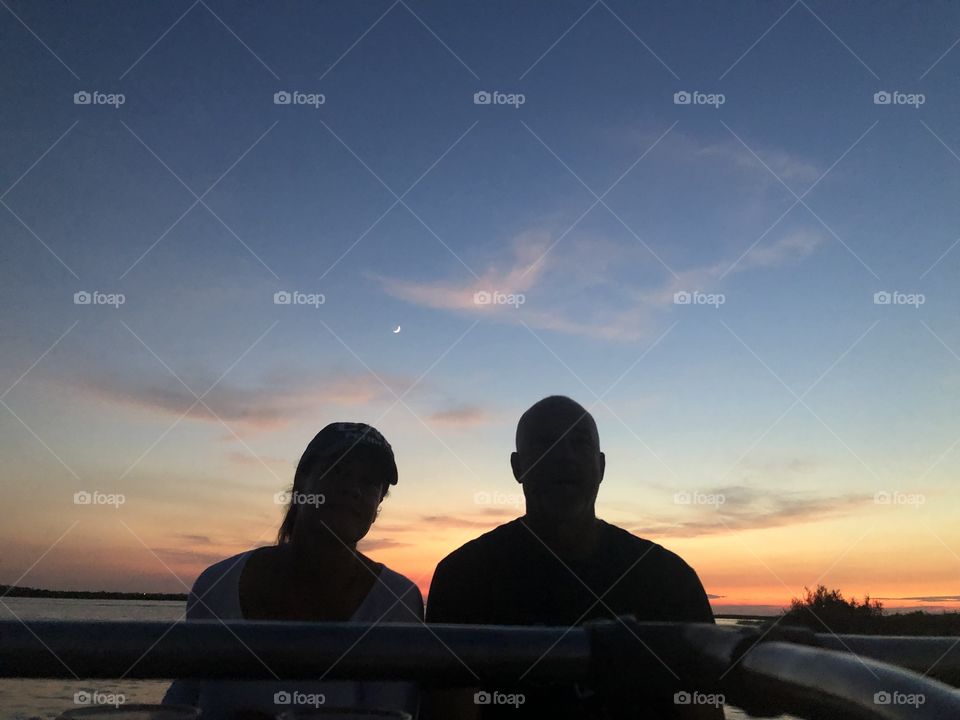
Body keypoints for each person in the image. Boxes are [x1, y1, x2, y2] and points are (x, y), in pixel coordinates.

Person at [425, 396, 722, 720]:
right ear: (517, 467)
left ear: (602, 466)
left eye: (579, 443)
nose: (564, 457)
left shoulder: (670, 578)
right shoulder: (463, 577)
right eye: (545, 443)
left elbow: (702, 707)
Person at [162, 422, 423, 719]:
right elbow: (186, 692)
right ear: (302, 482)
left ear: (378, 505)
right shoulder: (217, 584)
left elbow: (390, 712)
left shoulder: (395, 602)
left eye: (369, 482)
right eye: (338, 471)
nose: (353, 489)